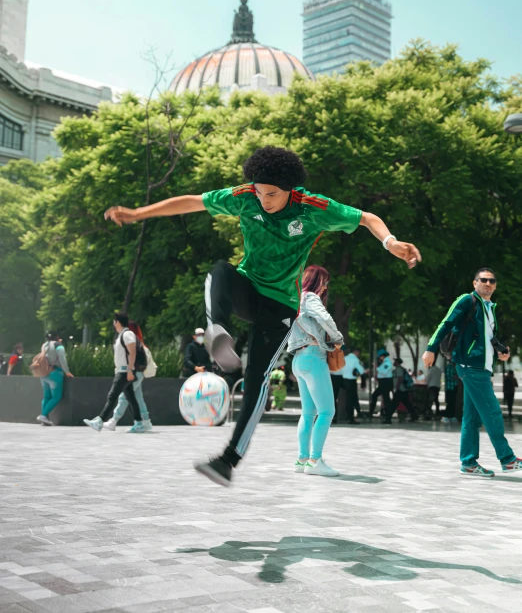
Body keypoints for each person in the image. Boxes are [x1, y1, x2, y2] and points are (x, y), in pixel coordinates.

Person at [105, 145, 421, 486]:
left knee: (257, 375)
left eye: (272, 194)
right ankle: (218, 332)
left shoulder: (313, 208)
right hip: (249, 290)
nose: (264, 200)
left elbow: (366, 218)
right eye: (259, 193)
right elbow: (193, 201)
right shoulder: (244, 197)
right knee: (220, 271)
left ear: (290, 190)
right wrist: (139, 214)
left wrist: (391, 242)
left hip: (281, 306)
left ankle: (229, 459)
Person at [423, 267, 522, 477]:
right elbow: (446, 322)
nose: (488, 284)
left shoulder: (489, 308)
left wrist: (500, 351)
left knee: (472, 417)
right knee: (493, 411)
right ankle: (508, 459)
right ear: (474, 283)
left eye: (492, 281)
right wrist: (431, 348)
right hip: (471, 366)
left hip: (482, 367)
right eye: (483, 280)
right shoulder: (467, 300)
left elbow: (487, 339)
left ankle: (468, 462)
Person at [288, 265, 342, 476]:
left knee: (308, 413)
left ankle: (302, 460)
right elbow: (325, 318)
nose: (326, 287)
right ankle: (315, 460)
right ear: (316, 280)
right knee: (327, 411)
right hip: (313, 358)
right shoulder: (309, 297)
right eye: (324, 282)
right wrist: (337, 338)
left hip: (299, 360)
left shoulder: (294, 299)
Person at [84, 312, 145, 433]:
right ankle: (139, 423)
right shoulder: (122, 334)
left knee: (112, 396)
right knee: (131, 397)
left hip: (124, 371)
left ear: (117, 322)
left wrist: (129, 370)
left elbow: (132, 352)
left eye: (114, 321)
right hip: (122, 370)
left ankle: (100, 420)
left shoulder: (127, 334)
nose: (113, 323)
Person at [103, 321, 153, 433]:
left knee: (124, 397)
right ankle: (146, 422)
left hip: (134, 373)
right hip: (139, 373)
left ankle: (113, 421)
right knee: (138, 397)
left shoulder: (131, 342)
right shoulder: (138, 343)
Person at [36, 332, 74, 426]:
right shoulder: (58, 345)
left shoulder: (44, 345)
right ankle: (43, 415)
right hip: (55, 373)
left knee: (46, 396)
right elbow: (62, 359)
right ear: (57, 337)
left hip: (44, 372)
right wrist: (67, 371)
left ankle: (44, 419)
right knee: (56, 397)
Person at [386, 358, 417, 423]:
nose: (393, 362)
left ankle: (388, 418)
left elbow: (400, 378)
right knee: (407, 404)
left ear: (397, 362)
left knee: (394, 404)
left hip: (400, 390)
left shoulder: (399, 369)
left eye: (395, 361)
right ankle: (414, 415)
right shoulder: (400, 369)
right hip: (403, 390)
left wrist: (397, 387)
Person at [342, 348, 366, 424]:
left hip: (344, 380)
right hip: (351, 381)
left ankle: (348, 415)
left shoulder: (344, 358)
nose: (358, 355)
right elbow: (361, 371)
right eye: (358, 354)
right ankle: (351, 418)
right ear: (356, 352)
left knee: (348, 399)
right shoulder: (355, 360)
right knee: (351, 400)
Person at [369, 351, 394, 421]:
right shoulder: (384, 363)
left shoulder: (387, 363)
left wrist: (376, 367)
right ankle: (371, 412)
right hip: (383, 382)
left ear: (383, 356)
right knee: (375, 395)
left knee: (386, 400)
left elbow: (384, 372)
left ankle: (388, 417)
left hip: (386, 382)